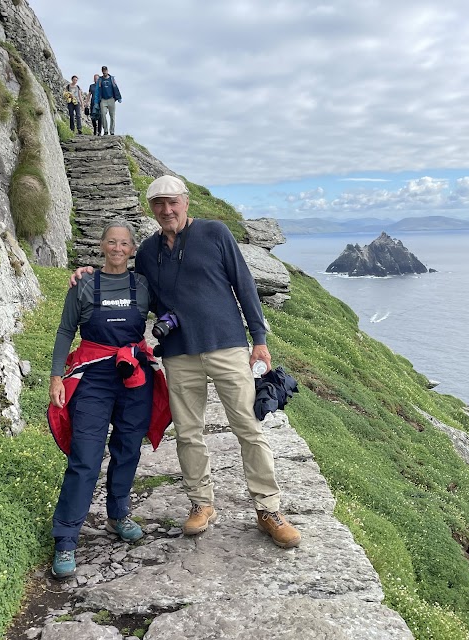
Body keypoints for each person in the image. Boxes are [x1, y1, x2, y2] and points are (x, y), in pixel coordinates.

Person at [71, 176, 301, 549]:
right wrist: (90, 277)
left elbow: (244, 285)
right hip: (178, 353)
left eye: (172, 202)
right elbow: (129, 288)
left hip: (226, 345)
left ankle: (268, 509)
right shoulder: (146, 251)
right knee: (189, 433)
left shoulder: (215, 233)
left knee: (248, 428)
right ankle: (201, 504)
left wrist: (259, 340)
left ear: (186, 202)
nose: (167, 210)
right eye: (159, 204)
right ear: (152, 209)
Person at [48, 220, 171, 579]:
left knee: (127, 449)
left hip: (134, 375)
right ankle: (67, 538)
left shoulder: (143, 285)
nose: (118, 248)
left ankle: (118, 515)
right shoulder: (84, 284)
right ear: (102, 246)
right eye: (111, 242)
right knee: (85, 456)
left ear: (133, 250)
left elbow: (170, 311)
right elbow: (65, 330)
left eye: (124, 244)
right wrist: (57, 376)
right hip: (95, 379)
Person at [94, 65, 122, 135]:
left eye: (105, 70)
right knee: (103, 114)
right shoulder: (100, 80)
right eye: (103, 71)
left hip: (111, 99)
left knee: (112, 116)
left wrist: (119, 97)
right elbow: (97, 91)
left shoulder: (111, 79)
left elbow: (116, 87)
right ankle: (105, 130)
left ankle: (112, 131)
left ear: (107, 71)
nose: (104, 72)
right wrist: (96, 102)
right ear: (102, 71)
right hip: (103, 99)